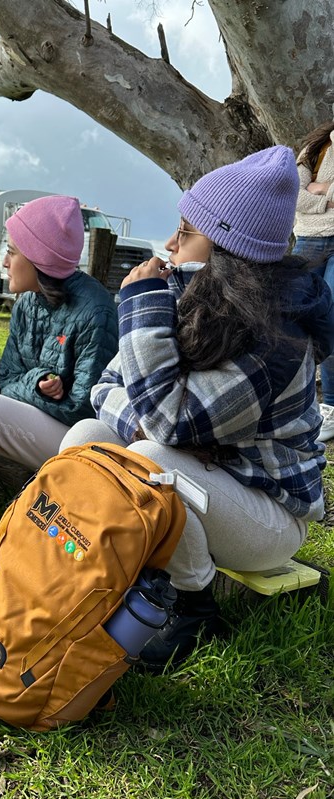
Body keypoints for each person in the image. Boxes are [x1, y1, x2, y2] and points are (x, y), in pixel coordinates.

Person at [59, 146, 334, 670]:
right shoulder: (198, 300)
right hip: (206, 480)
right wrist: (150, 419)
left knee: (149, 457)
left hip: (268, 517)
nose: (168, 244)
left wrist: (140, 307)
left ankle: (194, 604)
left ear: (225, 247)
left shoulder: (277, 341)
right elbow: (107, 386)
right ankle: (99, 571)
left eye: (185, 232)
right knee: (86, 439)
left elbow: (165, 422)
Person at [0, 195, 119, 471]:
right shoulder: (26, 302)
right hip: (38, 421)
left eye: (12, 252)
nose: (4, 263)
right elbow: (6, 378)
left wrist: (30, 390)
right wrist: (37, 383)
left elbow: (83, 409)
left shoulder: (96, 311)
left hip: (78, 441)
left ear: (39, 258)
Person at [293, 119, 334, 441]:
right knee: (295, 315)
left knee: (331, 320)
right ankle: (295, 399)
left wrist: (318, 191)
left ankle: (330, 407)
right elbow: (295, 196)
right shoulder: (315, 148)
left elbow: (309, 195)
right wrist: (327, 197)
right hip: (308, 239)